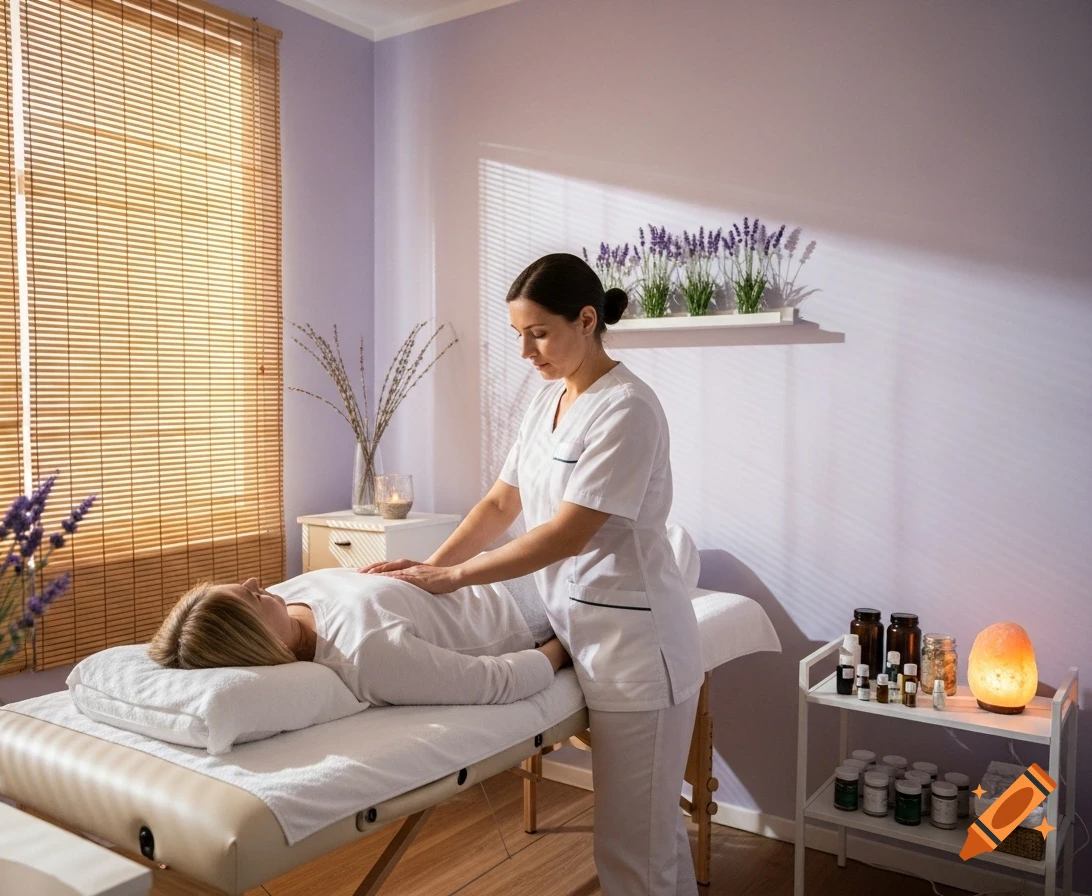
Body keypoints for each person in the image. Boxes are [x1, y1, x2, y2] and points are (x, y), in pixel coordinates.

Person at [362, 252, 703, 896]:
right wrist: (431, 567)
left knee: (636, 846)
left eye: (538, 333)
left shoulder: (627, 408)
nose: (525, 351)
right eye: (518, 333)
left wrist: (460, 578)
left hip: (638, 649)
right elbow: (501, 503)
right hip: (582, 633)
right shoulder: (549, 401)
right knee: (646, 841)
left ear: (585, 319)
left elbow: (567, 534)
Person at [147, 567, 567, 707]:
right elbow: (495, 682)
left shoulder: (288, 599)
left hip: (485, 570)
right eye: (251, 596)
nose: (257, 580)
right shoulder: (365, 654)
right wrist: (564, 648)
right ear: (260, 641)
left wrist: (431, 567)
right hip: (524, 607)